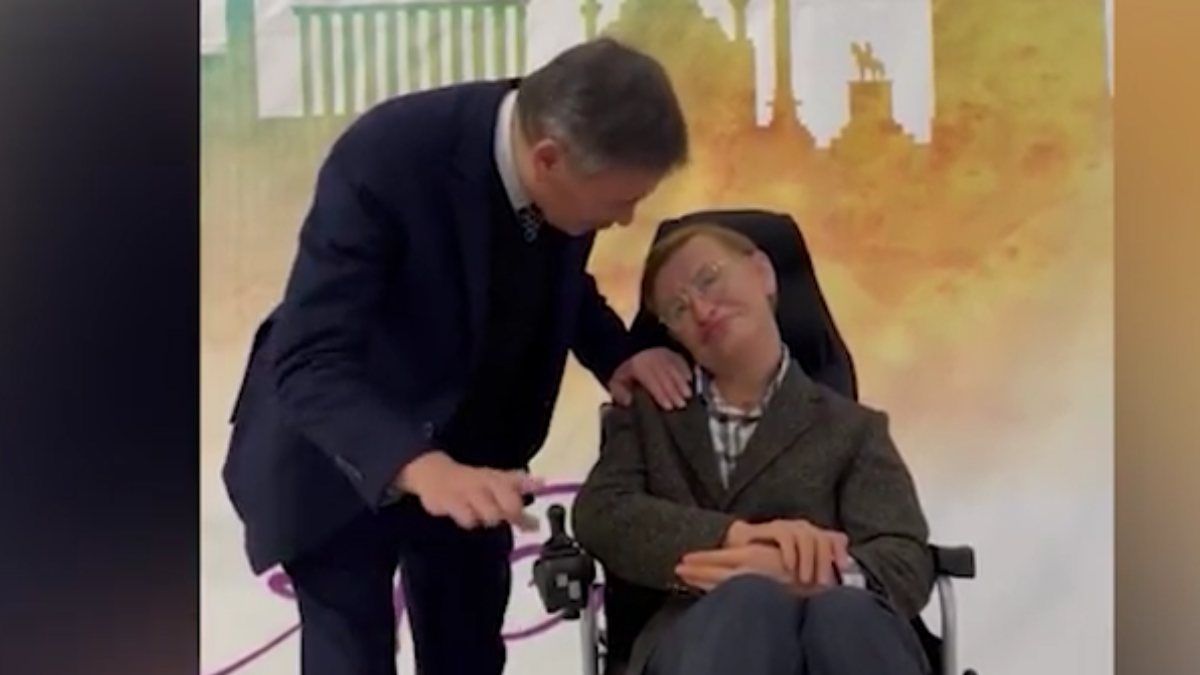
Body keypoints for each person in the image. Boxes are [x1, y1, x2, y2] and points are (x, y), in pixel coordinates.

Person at [222, 38, 696, 675]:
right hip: (340, 456)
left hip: (477, 456)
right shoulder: (386, 158)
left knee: (468, 651)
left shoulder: (563, 160)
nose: (628, 219)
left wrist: (616, 356)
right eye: (619, 203)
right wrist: (421, 468)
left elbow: (553, 275)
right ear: (549, 159)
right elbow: (310, 357)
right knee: (350, 654)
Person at [572, 223, 934, 675]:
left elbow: (905, 558)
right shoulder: (648, 416)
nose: (701, 309)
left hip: (836, 632)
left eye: (709, 279)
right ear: (673, 333)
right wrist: (734, 540)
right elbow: (600, 513)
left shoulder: (855, 429)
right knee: (750, 601)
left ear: (762, 273)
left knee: (844, 613)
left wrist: (811, 573)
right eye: (678, 308)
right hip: (698, 637)